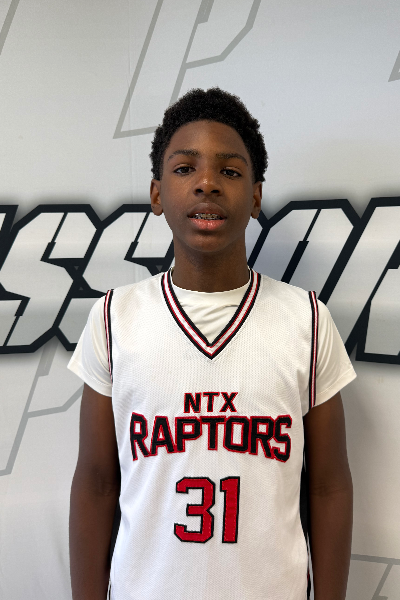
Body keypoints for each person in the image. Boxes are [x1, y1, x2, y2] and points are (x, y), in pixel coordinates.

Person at [68, 88, 356, 600]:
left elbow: (329, 486)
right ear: (157, 194)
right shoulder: (114, 318)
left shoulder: (307, 320)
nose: (207, 183)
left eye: (230, 171)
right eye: (185, 169)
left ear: (256, 196)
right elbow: (95, 483)